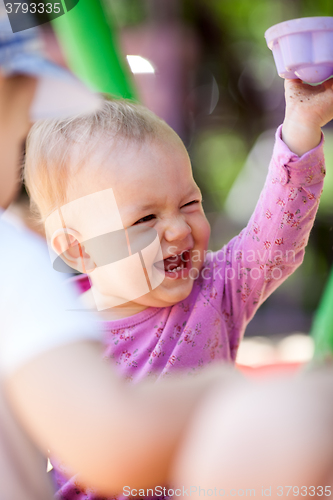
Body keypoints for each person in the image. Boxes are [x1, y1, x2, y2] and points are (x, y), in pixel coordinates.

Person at [23, 73, 333, 499]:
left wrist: (302, 125)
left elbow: (274, 235)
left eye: (189, 203)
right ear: (79, 250)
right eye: (145, 219)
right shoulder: (58, 335)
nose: (177, 229)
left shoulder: (217, 288)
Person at [0, 13, 228, 499]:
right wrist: (230, 394)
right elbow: (112, 441)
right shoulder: (14, 261)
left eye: (190, 202)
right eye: (22, 112)